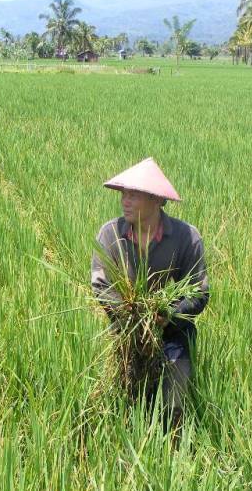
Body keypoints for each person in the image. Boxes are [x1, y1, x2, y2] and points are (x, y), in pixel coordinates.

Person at [91, 157, 209, 433]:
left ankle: (172, 445)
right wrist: (129, 313)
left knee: (173, 403)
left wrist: (167, 316)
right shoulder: (110, 235)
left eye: (133, 195)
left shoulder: (186, 238)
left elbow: (199, 292)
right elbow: (101, 285)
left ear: (156, 200)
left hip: (173, 333)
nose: (125, 201)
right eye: (123, 194)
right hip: (126, 332)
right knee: (129, 404)